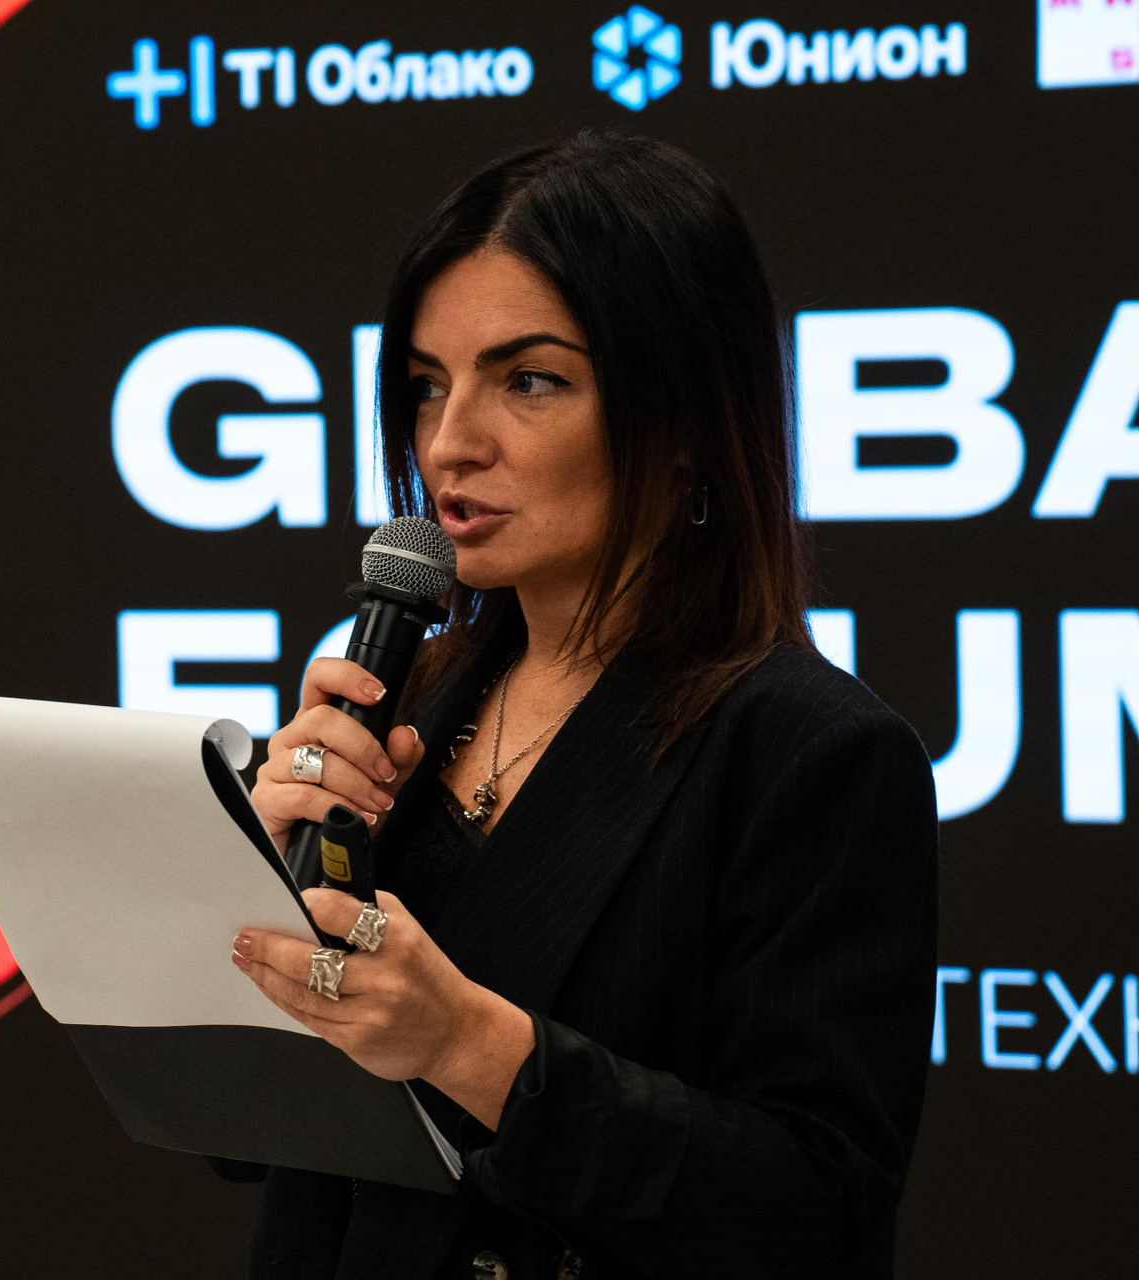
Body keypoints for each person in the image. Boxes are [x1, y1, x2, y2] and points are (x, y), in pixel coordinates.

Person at [227, 133, 939, 1280]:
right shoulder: (402, 696)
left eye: (530, 380)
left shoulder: (813, 750)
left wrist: (474, 1045)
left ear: (685, 419)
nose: (450, 441)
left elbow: (817, 1213)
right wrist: (243, 892)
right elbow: (245, 1138)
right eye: (427, 385)